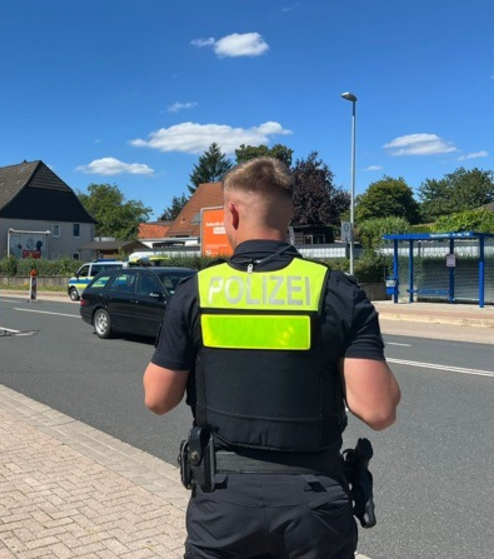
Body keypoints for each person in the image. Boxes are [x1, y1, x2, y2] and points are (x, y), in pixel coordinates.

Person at [143, 157, 401, 559]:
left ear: (231, 213)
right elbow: (379, 411)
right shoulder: (337, 292)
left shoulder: (196, 292)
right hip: (314, 506)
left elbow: (158, 399)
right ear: (290, 213)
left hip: (224, 505)